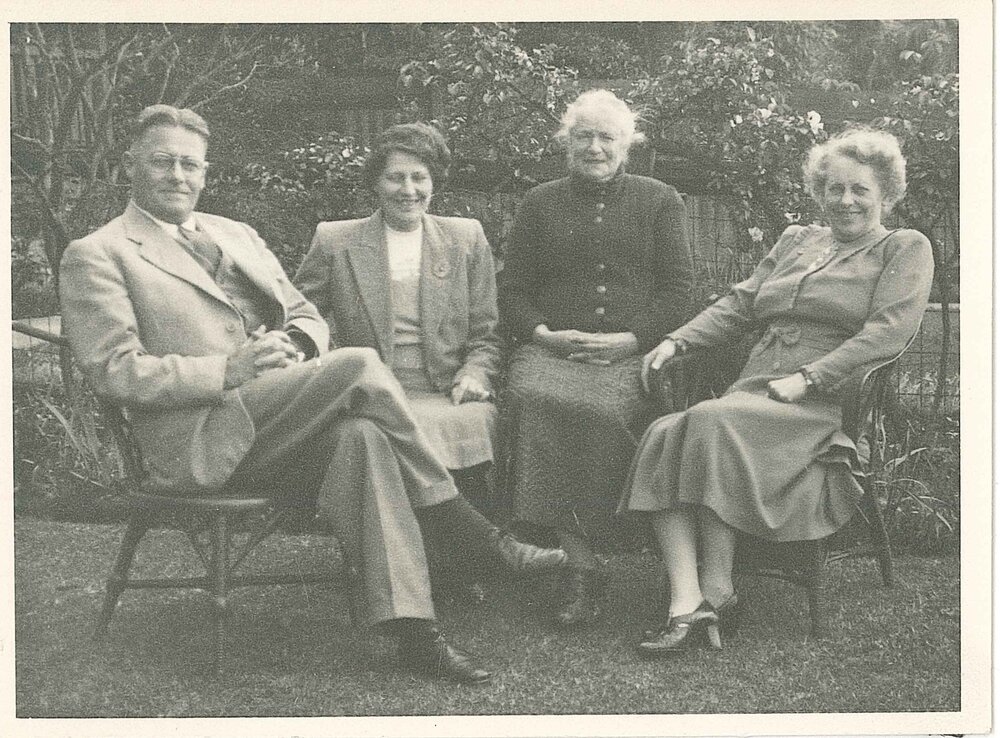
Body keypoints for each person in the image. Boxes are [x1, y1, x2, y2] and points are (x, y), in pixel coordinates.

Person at [58, 105, 567, 685]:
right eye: (162, 161)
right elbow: (116, 373)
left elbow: (304, 313)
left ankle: (414, 632)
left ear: (205, 172)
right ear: (130, 166)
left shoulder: (235, 234)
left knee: (363, 435)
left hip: (274, 424)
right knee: (360, 364)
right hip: (200, 439)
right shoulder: (99, 253)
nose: (178, 175)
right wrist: (229, 368)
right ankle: (474, 536)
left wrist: (295, 346)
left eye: (189, 164)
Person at [621, 126, 934, 657]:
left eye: (860, 189)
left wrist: (810, 377)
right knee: (665, 431)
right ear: (820, 191)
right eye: (835, 188)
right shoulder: (797, 240)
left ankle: (717, 588)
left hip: (822, 406)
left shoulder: (902, 248)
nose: (846, 200)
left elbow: (887, 332)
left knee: (707, 420)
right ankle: (689, 599)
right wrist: (677, 341)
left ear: (886, 194)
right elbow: (741, 303)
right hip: (755, 390)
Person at [498, 89, 694, 628]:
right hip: (552, 352)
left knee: (601, 411)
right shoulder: (540, 202)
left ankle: (593, 551)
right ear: (567, 142)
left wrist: (633, 340)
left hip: (629, 355)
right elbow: (512, 290)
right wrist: (543, 335)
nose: (594, 148)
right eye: (583, 136)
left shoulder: (660, 200)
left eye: (607, 137)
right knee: (536, 400)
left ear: (627, 144)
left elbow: (679, 291)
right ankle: (581, 564)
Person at [294, 122, 500, 516]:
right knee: (374, 433)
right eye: (395, 177)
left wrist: (476, 373)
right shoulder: (336, 241)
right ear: (376, 182)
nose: (408, 190)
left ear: (434, 182)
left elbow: (486, 333)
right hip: (372, 395)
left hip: (448, 393)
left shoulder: (466, 238)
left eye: (419, 177)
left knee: (472, 421)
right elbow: (301, 321)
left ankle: (453, 549)